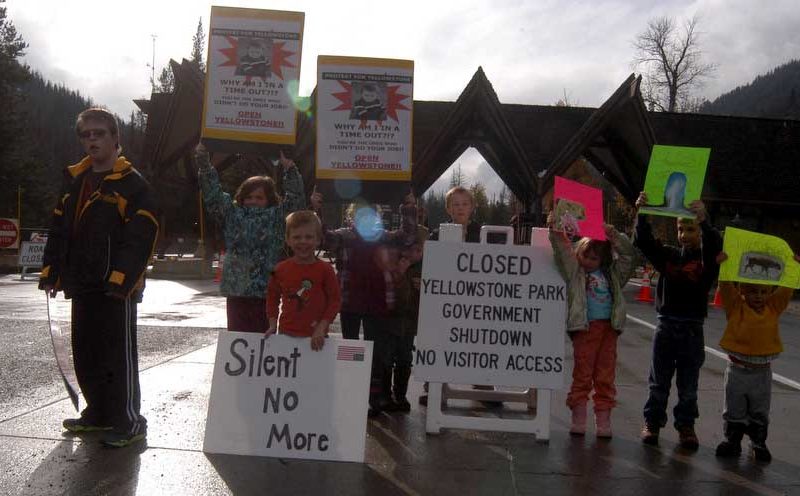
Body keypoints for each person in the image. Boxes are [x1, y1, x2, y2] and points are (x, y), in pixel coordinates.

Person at [39, 108, 159, 448]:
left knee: (116, 357)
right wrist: (51, 272)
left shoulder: (133, 184)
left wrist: (122, 280)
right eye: (85, 135)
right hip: (82, 282)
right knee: (86, 351)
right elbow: (59, 228)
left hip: (116, 288)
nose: (92, 140)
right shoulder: (76, 180)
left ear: (115, 138)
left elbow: (142, 236)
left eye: (99, 133)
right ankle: (97, 413)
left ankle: (129, 420)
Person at [310, 190, 416, 416]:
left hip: (377, 305)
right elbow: (324, 236)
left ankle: (373, 397)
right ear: (351, 219)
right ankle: (353, 394)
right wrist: (317, 208)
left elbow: (408, 237)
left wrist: (408, 207)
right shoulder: (344, 236)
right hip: (349, 304)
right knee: (351, 349)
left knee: (376, 354)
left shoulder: (385, 237)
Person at [633, 191, 722, 449]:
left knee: (688, 384)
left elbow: (715, 245)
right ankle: (652, 422)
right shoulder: (670, 256)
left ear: (700, 232)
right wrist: (643, 212)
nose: (685, 235)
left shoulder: (707, 263)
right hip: (666, 325)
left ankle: (686, 426)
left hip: (692, 329)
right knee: (658, 381)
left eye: (691, 229)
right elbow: (644, 241)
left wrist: (704, 219)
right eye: (681, 229)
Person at [196, 143, 305, 333]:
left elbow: (296, 200)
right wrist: (204, 163)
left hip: (266, 291)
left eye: (259, 197)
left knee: (263, 336)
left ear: (270, 200)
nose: (253, 201)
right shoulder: (232, 213)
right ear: (241, 198)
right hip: (237, 290)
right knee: (237, 335)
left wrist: (290, 168)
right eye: (249, 197)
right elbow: (213, 194)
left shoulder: (277, 216)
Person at [549, 220, 636, 438]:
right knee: (583, 375)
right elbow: (562, 251)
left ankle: (603, 421)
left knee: (605, 376)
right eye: (584, 255)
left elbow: (627, 256)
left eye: (594, 258)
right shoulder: (575, 272)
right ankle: (579, 418)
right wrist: (556, 229)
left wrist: (614, 234)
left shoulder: (613, 275)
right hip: (585, 330)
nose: (587, 261)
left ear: (603, 259)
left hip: (608, 330)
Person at [713, 252, 800, 462]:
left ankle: (758, 443)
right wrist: (724, 266)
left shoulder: (773, 307)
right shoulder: (736, 307)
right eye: (752, 291)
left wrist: (795, 267)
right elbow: (726, 287)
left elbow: (787, 290)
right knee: (734, 408)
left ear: (770, 292)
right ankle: (732, 441)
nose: (758, 296)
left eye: (763, 292)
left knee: (759, 410)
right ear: (742, 290)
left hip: (762, 373)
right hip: (737, 371)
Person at [265, 211, 341, 350]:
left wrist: (322, 327)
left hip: (317, 338)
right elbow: (272, 298)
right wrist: (272, 325)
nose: (303, 241)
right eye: (297, 237)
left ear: (318, 239)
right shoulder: (279, 269)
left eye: (309, 237)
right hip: (285, 336)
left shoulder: (326, 270)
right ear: (288, 240)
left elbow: (334, 301)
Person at [383, 226, 428, 412]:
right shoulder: (394, 264)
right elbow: (387, 290)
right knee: (386, 359)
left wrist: (425, 286)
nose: (413, 254)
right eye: (410, 249)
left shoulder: (425, 268)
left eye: (418, 250)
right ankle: (385, 395)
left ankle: (400, 395)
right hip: (390, 321)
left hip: (410, 323)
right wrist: (399, 275)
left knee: (404, 359)